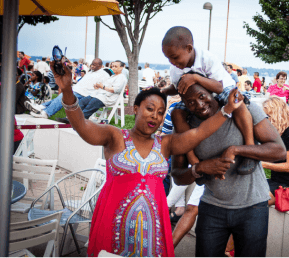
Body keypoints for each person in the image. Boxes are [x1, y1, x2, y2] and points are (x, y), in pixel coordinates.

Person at [50, 57, 244, 257]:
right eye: (149, 109)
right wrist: (67, 90)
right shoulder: (114, 136)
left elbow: (199, 133)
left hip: (152, 234)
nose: (155, 116)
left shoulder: (166, 144)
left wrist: (227, 109)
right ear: (135, 109)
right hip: (113, 229)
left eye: (160, 112)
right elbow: (81, 125)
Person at [171, 82, 286, 257]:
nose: (199, 105)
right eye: (190, 102)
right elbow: (178, 176)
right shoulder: (186, 125)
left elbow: (279, 151)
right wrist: (200, 168)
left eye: (202, 96)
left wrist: (237, 149)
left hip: (252, 207)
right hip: (212, 208)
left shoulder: (242, 109)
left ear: (211, 92)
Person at [161, 26, 257, 175]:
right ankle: (193, 160)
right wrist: (162, 91)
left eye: (174, 57)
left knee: (238, 102)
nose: (172, 62)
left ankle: (250, 148)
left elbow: (218, 87)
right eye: (168, 58)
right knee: (176, 113)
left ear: (188, 48)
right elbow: (177, 87)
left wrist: (196, 77)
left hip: (221, 88)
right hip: (194, 97)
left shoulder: (207, 58)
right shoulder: (175, 69)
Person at [30, 58, 111, 119]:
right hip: (76, 90)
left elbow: (104, 87)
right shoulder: (91, 72)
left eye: (94, 65)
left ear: (100, 66)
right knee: (61, 96)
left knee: (64, 97)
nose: (92, 66)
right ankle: (41, 107)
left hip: (84, 94)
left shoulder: (104, 74)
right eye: (92, 64)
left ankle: (46, 113)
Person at [261, 97, 289, 206]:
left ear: (277, 115)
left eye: (268, 117)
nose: (265, 120)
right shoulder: (277, 134)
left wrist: (263, 164)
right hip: (276, 180)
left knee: (258, 202)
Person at [57, 61, 128, 123]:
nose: (113, 68)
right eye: (112, 66)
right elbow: (103, 86)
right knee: (82, 102)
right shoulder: (112, 76)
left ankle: (81, 120)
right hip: (99, 95)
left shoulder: (121, 77)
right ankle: (70, 118)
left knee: (91, 103)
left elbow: (115, 89)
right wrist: (97, 86)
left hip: (108, 97)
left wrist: (102, 87)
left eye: (116, 66)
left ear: (121, 68)